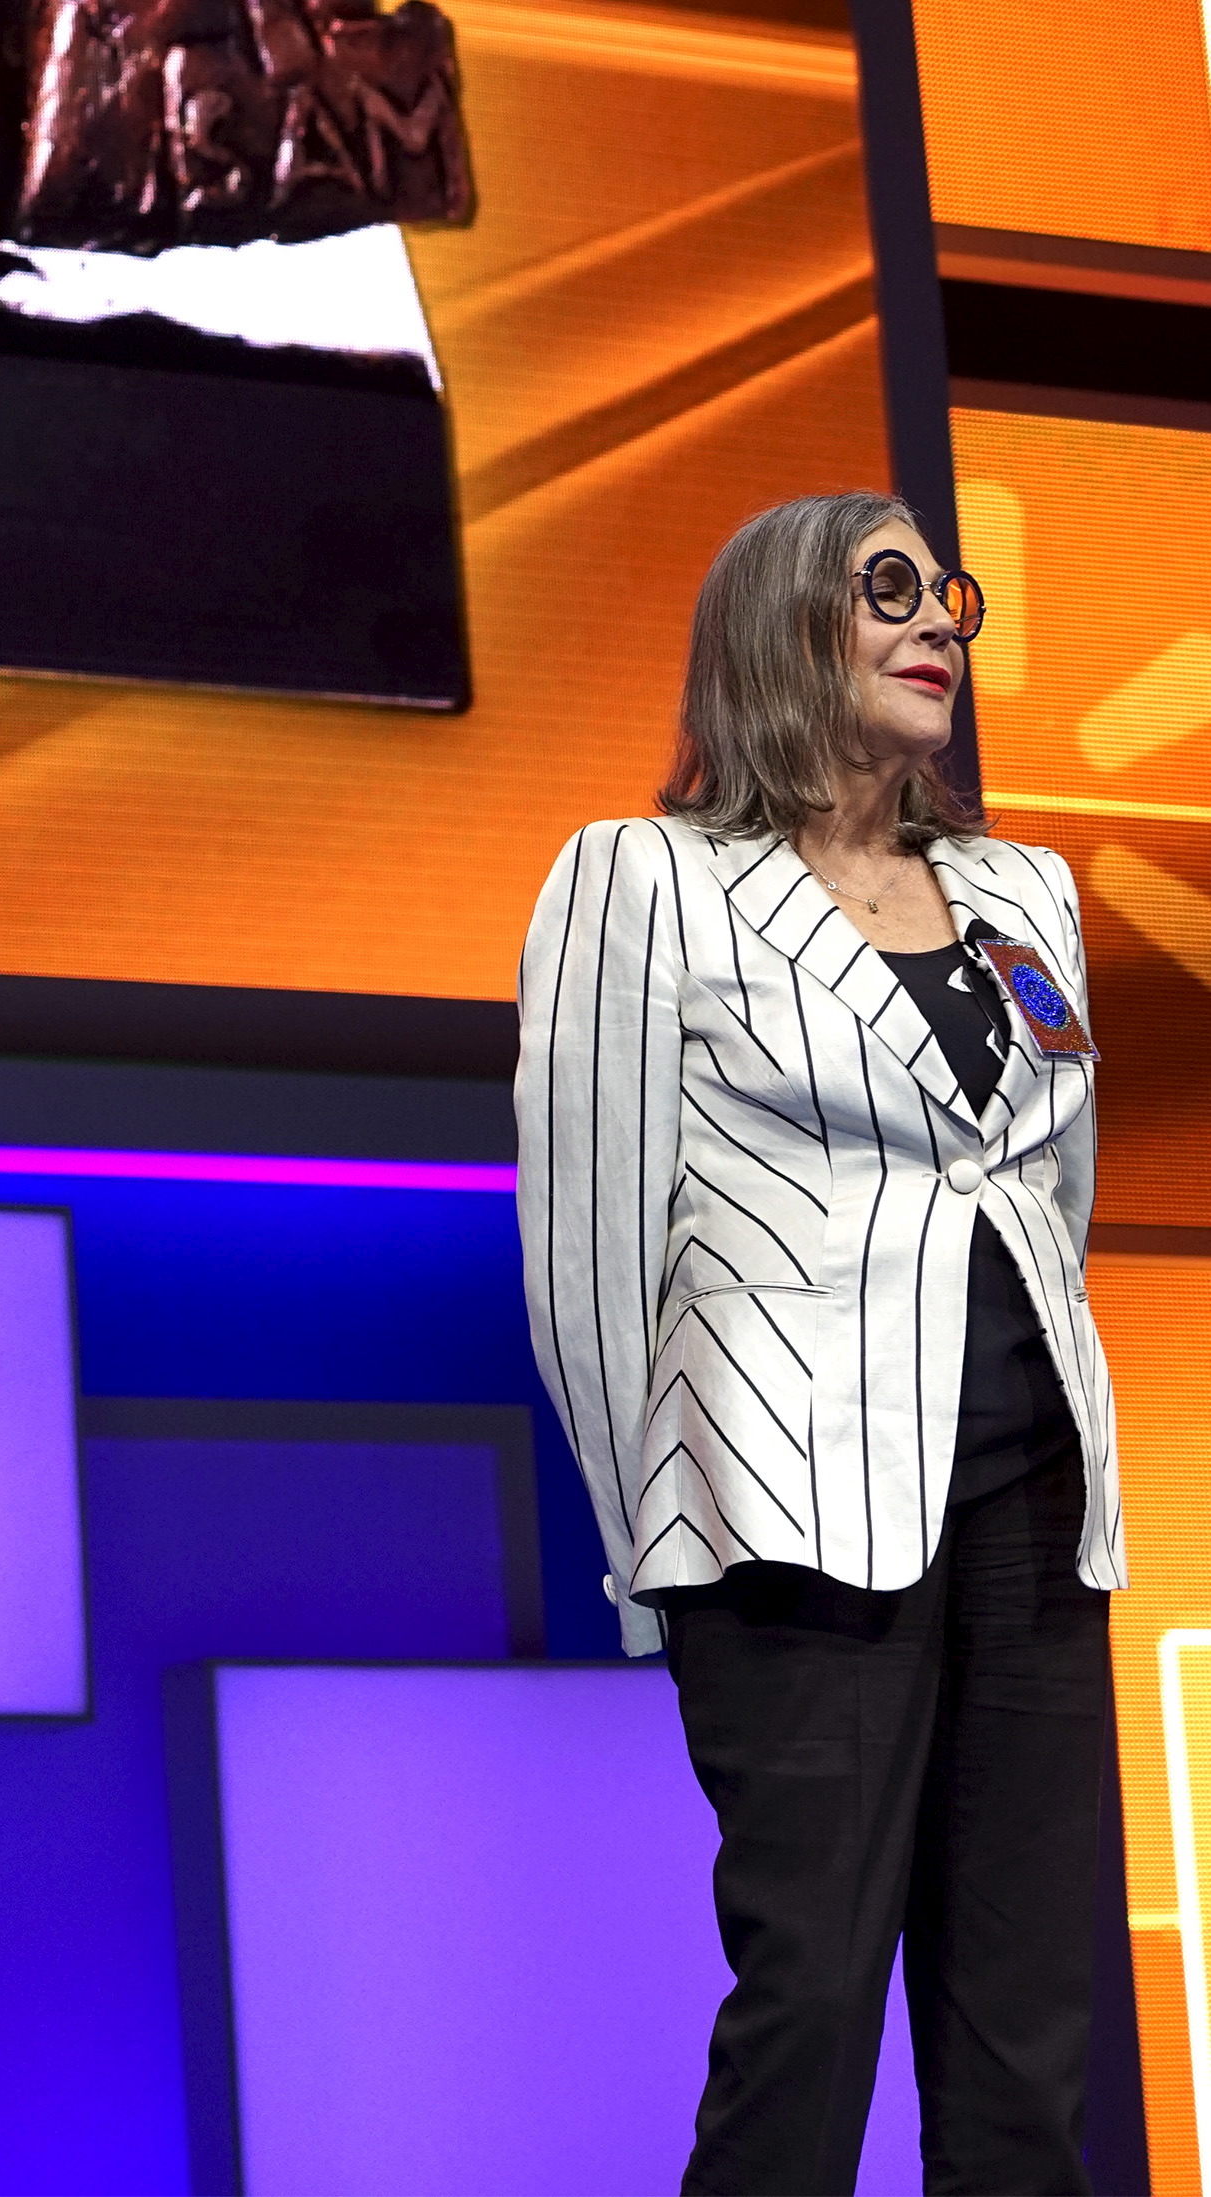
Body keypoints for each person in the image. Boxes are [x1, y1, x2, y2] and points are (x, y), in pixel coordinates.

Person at [518, 491, 1121, 2192]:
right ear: (781, 625)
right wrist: (651, 1549)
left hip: (1032, 1515)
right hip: (788, 1526)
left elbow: (1052, 1197)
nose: (940, 620)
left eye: (952, 597)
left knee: (1025, 2042)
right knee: (813, 2011)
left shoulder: (1026, 889)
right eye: (890, 589)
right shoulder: (644, 880)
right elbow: (588, 1251)